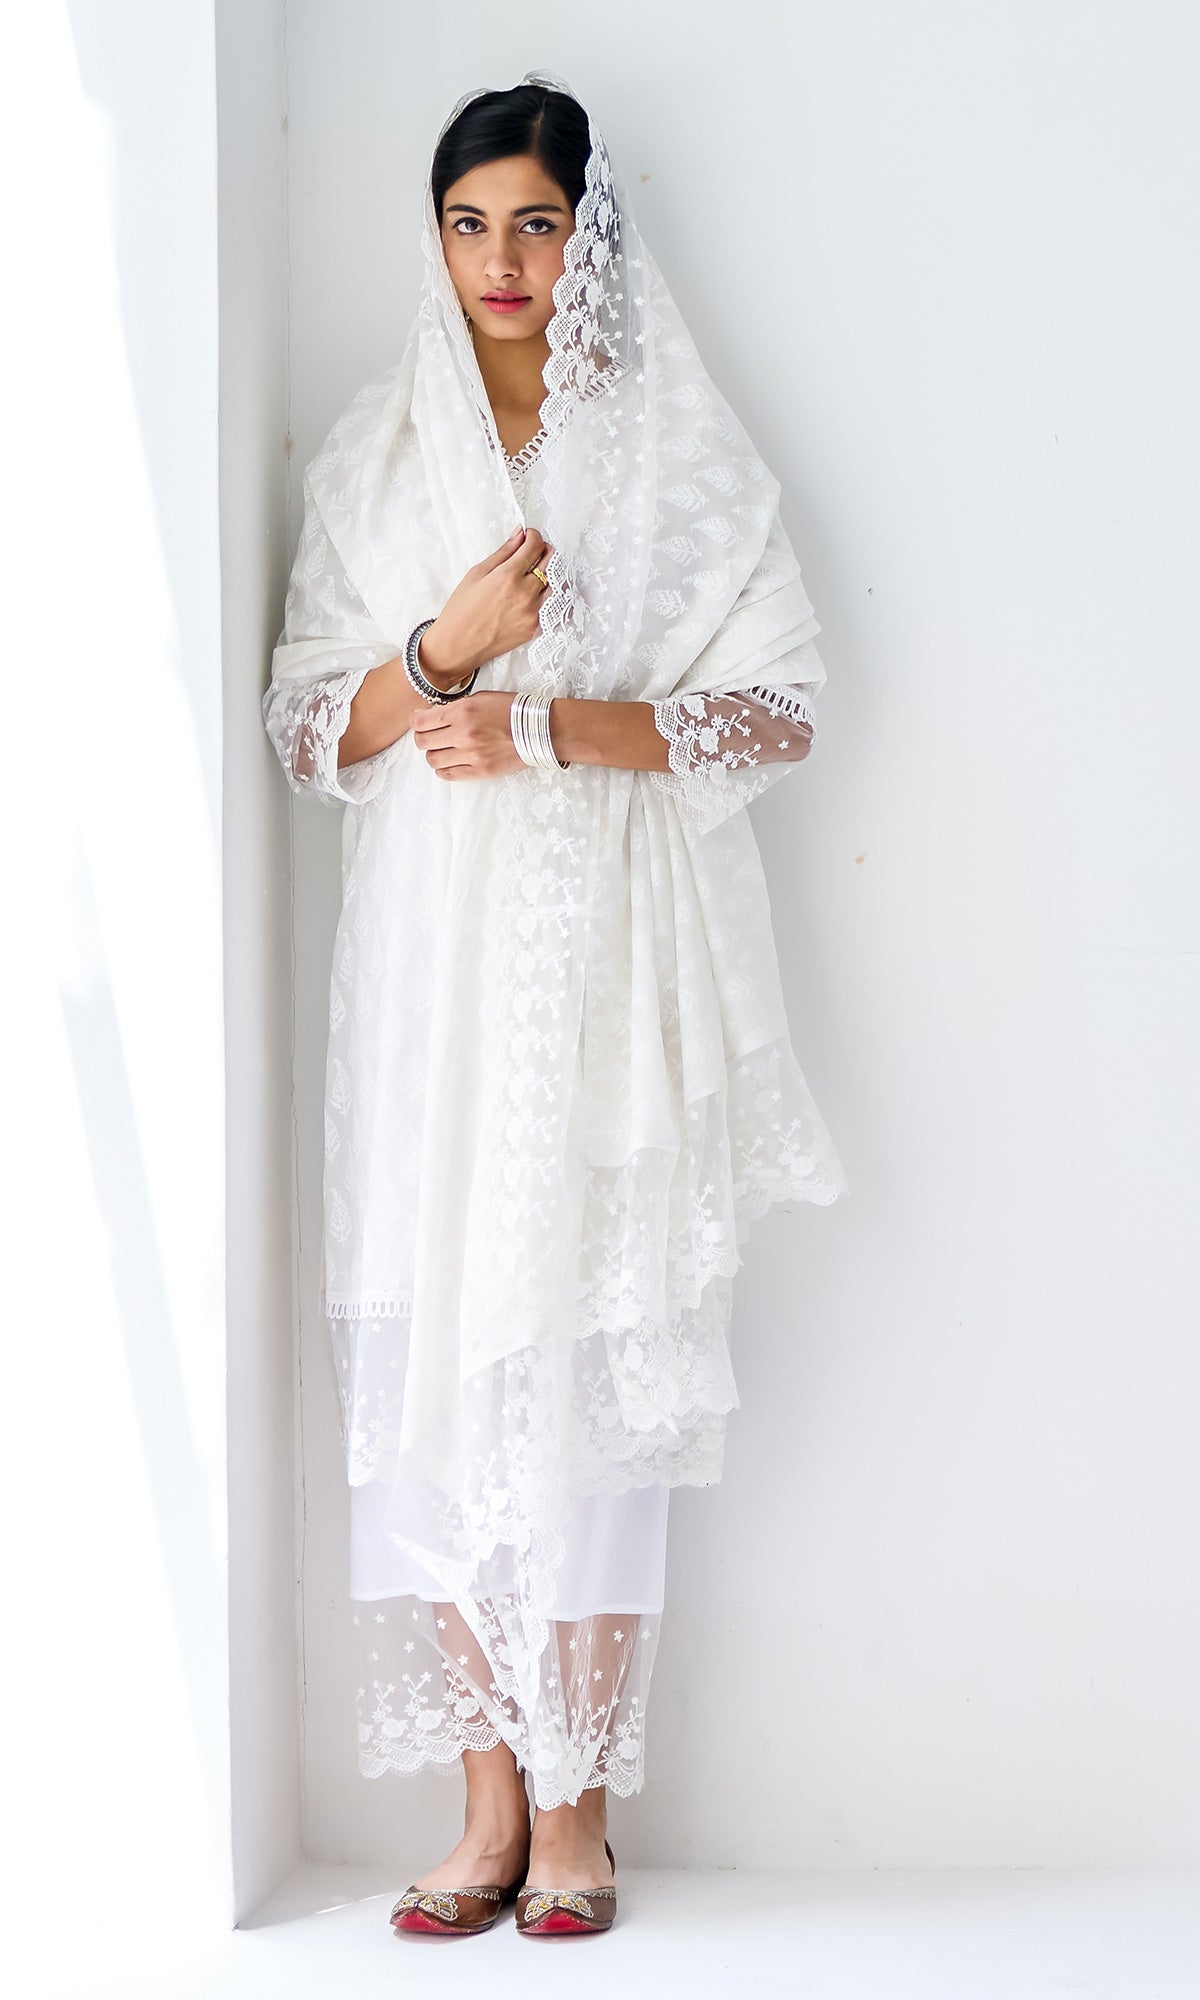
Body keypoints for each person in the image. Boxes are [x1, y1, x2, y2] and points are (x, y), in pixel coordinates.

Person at [262, 67, 847, 1940]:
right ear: (434, 242)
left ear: (591, 241)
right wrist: (447, 648)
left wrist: (550, 726)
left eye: (537, 223)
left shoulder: (672, 448)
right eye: (468, 224)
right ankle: (485, 1806)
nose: (501, 261)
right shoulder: (378, 452)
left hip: (602, 971)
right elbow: (310, 725)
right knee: (436, 1361)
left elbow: (781, 704)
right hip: (429, 974)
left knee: (585, 1368)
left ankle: (579, 1807)